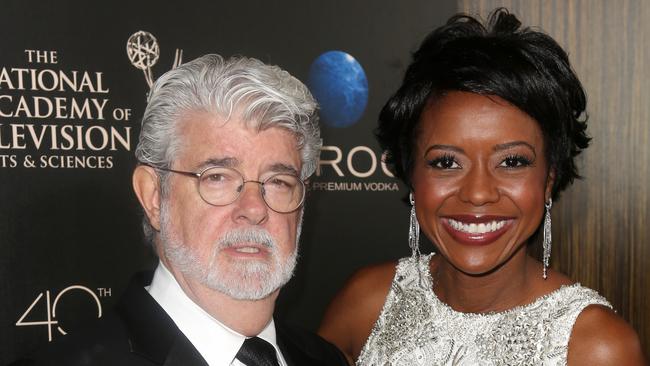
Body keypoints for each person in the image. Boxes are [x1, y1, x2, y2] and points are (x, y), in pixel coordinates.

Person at [318, 9, 646, 366]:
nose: (477, 193)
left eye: (511, 162)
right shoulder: (366, 303)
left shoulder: (597, 348)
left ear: (550, 178)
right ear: (411, 173)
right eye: (446, 162)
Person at [14, 54, 348, 366]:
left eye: (278, 181)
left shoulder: (325, 359)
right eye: (217, 177)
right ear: (154, 196)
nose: (254, 209)